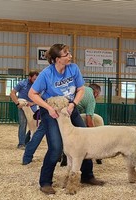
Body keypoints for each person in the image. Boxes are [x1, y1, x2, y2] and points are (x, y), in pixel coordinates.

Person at [28, 44, 104, 195]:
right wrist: (49, 108)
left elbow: (81, 89)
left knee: (85, 139)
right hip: (51, 111)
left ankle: (87, 176)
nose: (70, 56)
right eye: (66, 54)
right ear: (57, 59)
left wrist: (73, 104)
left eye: (69, 53)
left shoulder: (73, 68)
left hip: (70, 108)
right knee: (56, 147)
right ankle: (45, 182)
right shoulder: (46, 74)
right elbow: (32, 94)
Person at [60, 83, 102, 166]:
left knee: (65, 135)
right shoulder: (91, 99)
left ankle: (63, 158)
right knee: (81, 136)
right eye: (98, 95)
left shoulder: (82, 88)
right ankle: (86, 162)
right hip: (71, 111)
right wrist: (95, 135)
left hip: (62, 110)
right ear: (96, 93)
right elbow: (89, 120)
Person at [10, 70, 39, 149]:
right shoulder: (22, 83)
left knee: (34, 125)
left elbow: (40, 96)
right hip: (23, 106)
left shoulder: (38, 84)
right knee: (23, 123)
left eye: (37, 79)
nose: (36, 81)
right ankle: (21, 144)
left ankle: (28, 142)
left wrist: (32, 103)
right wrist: (17, 103)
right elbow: (12, 93)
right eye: (34, 79)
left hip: (33, 106)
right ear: (29, 77)